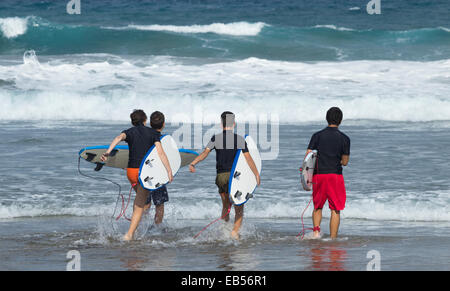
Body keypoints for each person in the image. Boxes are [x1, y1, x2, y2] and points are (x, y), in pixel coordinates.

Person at [101, 110, 173, 241]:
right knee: (139, 205)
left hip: (131, 172)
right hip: (145, 173)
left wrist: (107, 152)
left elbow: (118, 138)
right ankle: (130, 234)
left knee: (143, 202)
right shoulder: (153, 133)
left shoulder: (129, 132)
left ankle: (139, 230)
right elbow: (161, 153)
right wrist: (168, 170)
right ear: (145, 120)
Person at [189, 111, 260, 240]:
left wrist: (193, 163)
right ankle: (234, 233)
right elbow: (248, 159)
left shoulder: (215, 138)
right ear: (234, 123)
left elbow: (205, 153)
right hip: (235, 178)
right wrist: (256, 174)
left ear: (221, 124)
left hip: (220, 177)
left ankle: (224, 231)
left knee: (226, 205)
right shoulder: (239, 139)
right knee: (239, 206)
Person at [306, 107, 350, 239]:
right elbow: (345, 161)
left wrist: (306, 178)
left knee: (317, 206)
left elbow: (308, 156)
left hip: (318, 175)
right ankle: (332, 238)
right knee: (335, 209)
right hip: (334, 176)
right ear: (340, 120)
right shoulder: (344, 138)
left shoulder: (317, 135)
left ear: (327, 118)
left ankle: (316, 233)